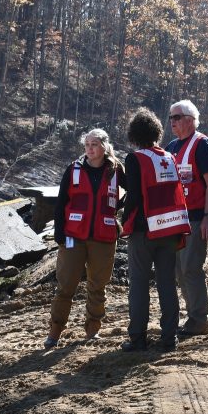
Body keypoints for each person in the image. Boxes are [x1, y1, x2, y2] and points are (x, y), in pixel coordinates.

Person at [44, 128, 124, 349]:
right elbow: (60, 203)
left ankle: (92, 331)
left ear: (104, 146)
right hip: (73, 237)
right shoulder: (73, 170)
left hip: (104, 237)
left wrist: (121, 210)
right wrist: (60, 233)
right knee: (65, 286)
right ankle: (54, 332)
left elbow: (135, 190)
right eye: (87, 144)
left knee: (97, 286)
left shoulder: (116, 169)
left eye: (94, 144)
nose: (89, 149)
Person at [120, 107, 191, 352]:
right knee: (167, 285)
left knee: (139, 285)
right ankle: (169, 338)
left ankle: (137, 338)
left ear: (134, 134)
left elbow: (134, 197)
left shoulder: (135, 159)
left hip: (144, 231)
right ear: (157, 132)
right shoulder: (169, 157)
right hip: (169, 230)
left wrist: (124, 223)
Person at [166, 99, 208, 337]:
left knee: (191, 268)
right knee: (179, 271)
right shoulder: (171, 147)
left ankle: (199, 320)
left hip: (194, 218)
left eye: (176, 117)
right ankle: (193, 317)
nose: (172, 121)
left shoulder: (202, 145)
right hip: (175, 221)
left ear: (190, 120)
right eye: (170, 117)